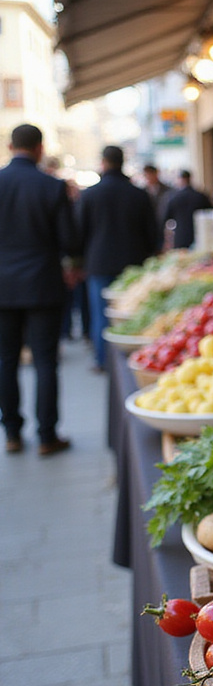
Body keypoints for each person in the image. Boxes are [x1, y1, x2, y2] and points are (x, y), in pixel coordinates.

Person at [0, 124, 80, 455]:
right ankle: (47, 435)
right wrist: (72, 266)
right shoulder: (51, 186)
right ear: (39, 148)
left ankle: (13, 434)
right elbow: (69, 240)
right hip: (42, 283)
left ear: (9, 146)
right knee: (45, 360)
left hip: (2, 287)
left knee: (5, 361)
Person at [77, 145, 161, 371]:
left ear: (103, 163)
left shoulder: (89, 195)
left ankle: (102, 359)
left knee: (101, 314)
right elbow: (153, 233)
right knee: (134, 313)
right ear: (122, 162)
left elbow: (79, 233)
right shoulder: (139, 194)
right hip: (133, 262)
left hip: (99, 263)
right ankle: (134, 358)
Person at [161, 169, 213, 249]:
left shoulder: (173, 197)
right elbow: (210, 213)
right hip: (199, 234)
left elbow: (165, 217)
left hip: (181, 235)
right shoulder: (200, 196)